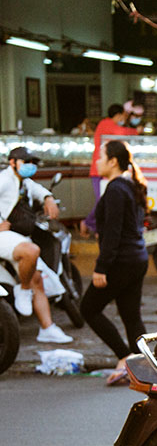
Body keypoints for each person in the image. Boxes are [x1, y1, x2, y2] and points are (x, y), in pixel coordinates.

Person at [81, 140, 150, 385]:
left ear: (112, 161)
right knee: (131, 316)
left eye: (100, 157)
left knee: (88, 308)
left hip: (122, 261)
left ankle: (124, 357)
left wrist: (101, 267)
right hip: (136, 258)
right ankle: (145, 366)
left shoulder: (116, 189)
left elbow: (113, 233)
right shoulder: (128, 185)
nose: (97, 162)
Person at [0, 146, 72, 343]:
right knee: (32, 251)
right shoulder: (4, 180)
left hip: (16, 237)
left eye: (33, 163)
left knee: (38, 279)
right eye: (26, 162)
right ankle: (23, 290)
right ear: (13, 162)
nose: (30, 166)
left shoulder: (24, 182)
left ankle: (47, 328)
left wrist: (48, 198)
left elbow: (38, 190)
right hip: (5, 236)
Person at [84, 102, 140, 235]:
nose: (123, 120)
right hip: (99, 170)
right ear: (119, 115)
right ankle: (89, 223)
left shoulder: (107, 124)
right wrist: (137, 131)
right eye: (122, 116)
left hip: (104, 169)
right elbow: (122, 133)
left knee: (103, 200)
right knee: (101, 200)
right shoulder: (106, 124)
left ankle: (95, 226)